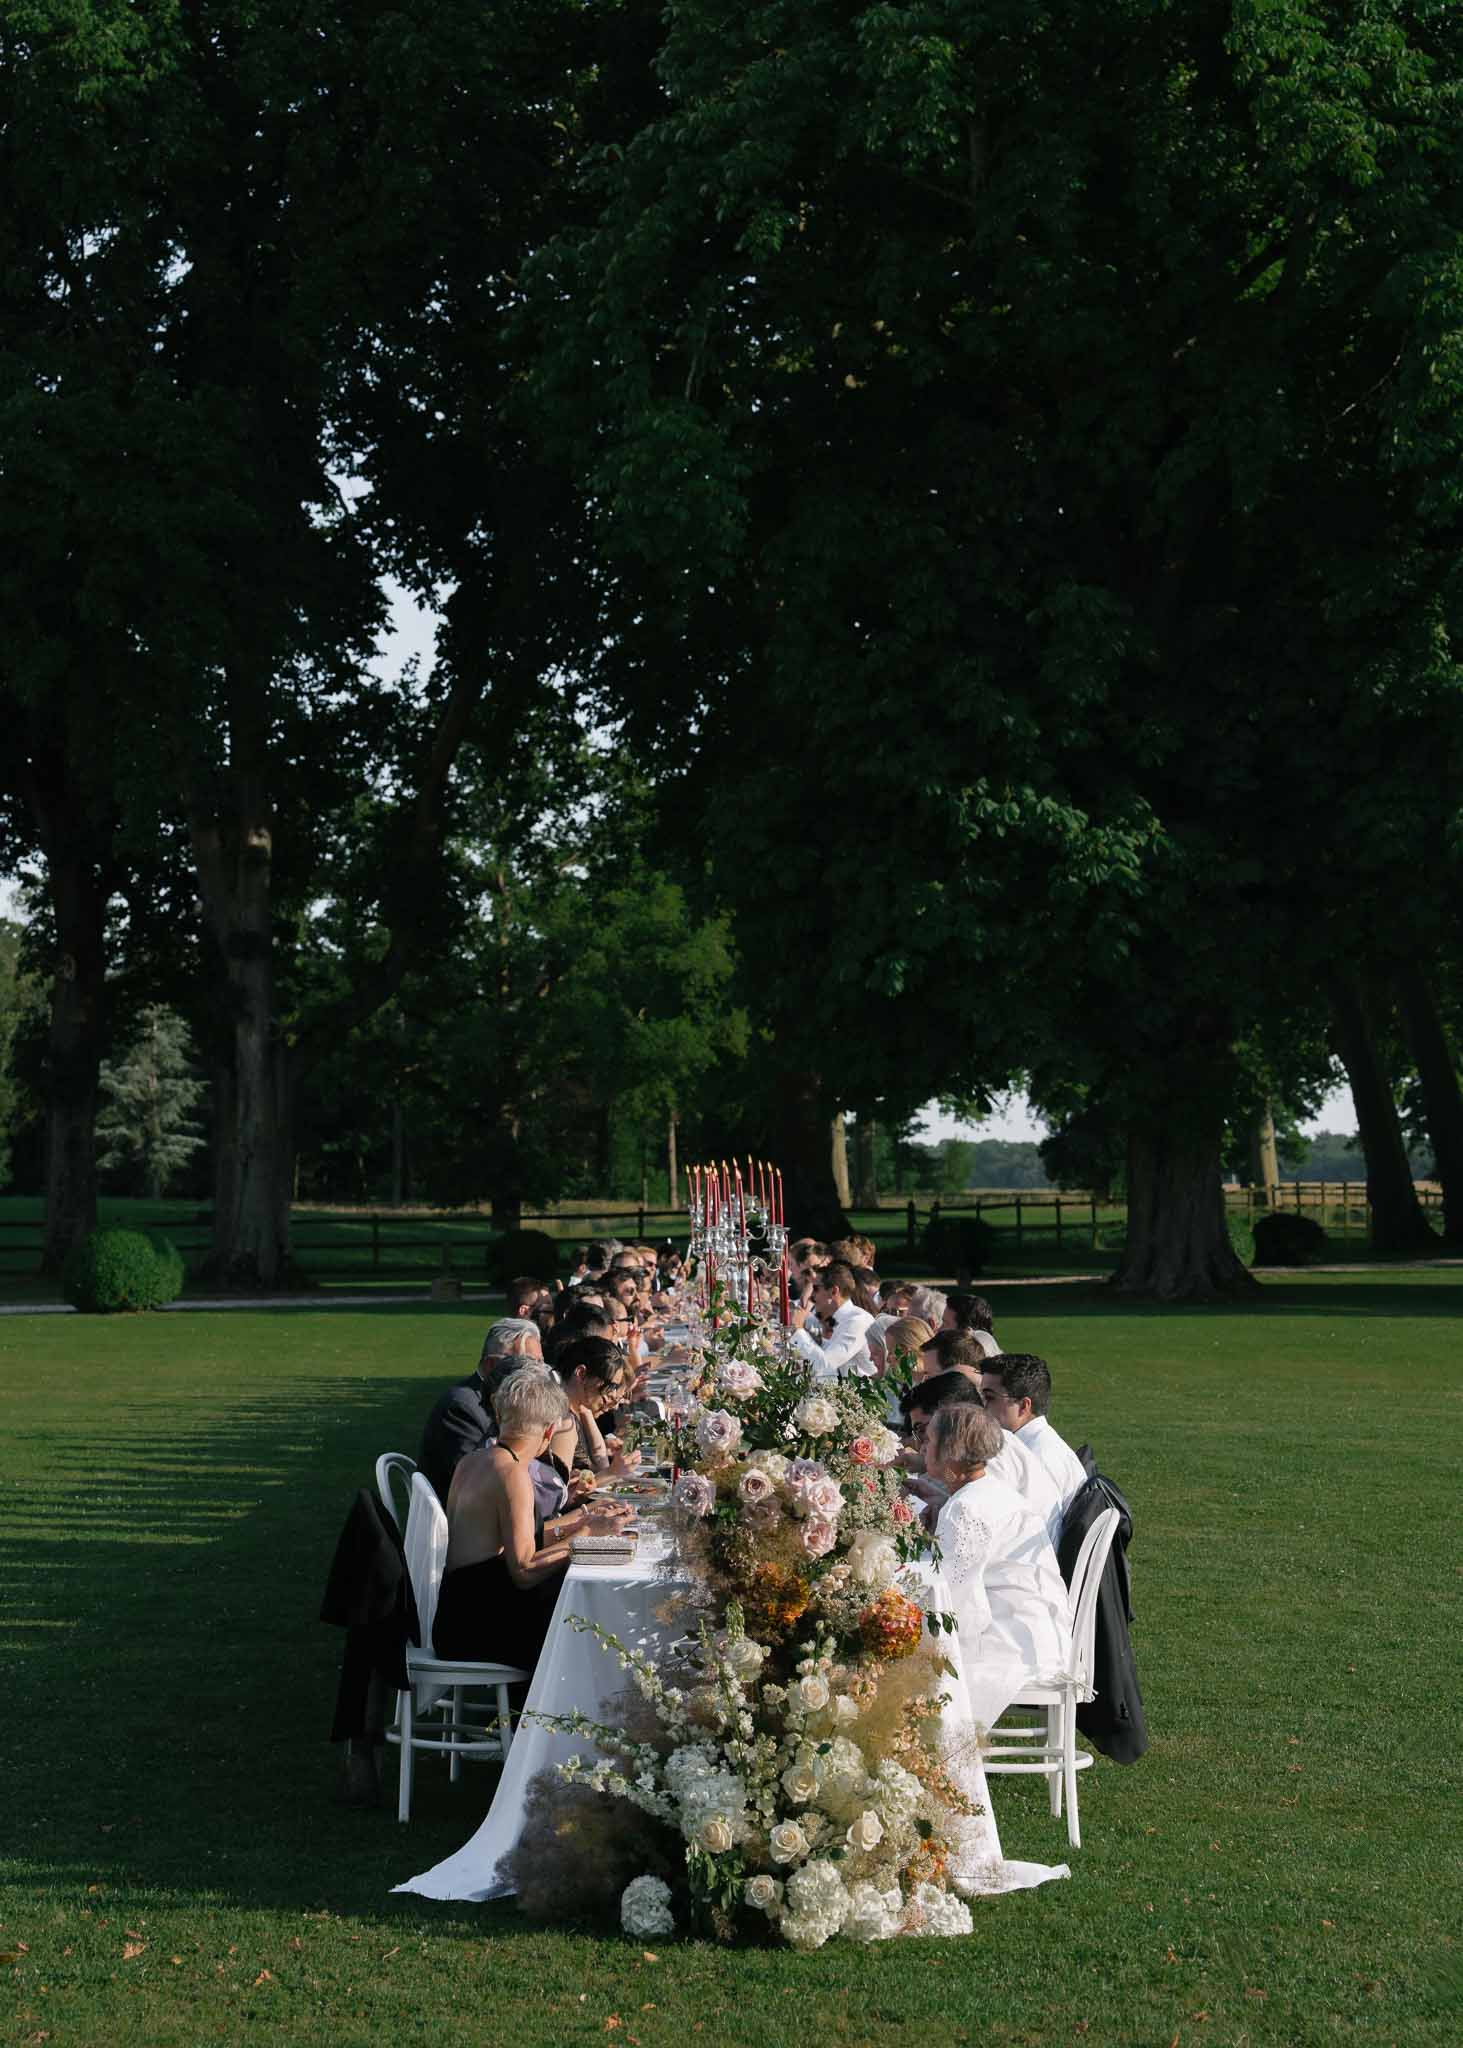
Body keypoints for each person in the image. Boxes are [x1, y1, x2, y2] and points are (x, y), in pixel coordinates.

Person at [432, 1372, 630, 1666]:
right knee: (587, 1613)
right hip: (477, 1625)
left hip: (456, 1610)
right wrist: (586, 1534)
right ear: (549, 1432)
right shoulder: (512, 1474)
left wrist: (579, 1522)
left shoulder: (476, 1459)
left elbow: (512, 1540)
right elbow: (523, 1571)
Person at [925, 1402, 1073, 1732]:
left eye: (929, 1439)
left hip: (1015, 1648)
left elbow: (954, 1603)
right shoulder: (987, 1491)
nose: (923, 1446)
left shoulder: (966, 1508)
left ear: (950, 1450)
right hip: (1038, 1633)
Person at [900, 1371, 1063, 1534]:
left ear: (952, 1416)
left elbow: (978, 1530)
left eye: (923, 1430)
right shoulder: (980, 1444)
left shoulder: (987, 1454)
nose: (920, 1444)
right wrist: (936, 1492)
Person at [416, 1318, 542, 1504]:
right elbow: (480, 1482)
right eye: (528, 1365)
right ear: (491, 1365)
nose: (538, 1374)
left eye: (540, 1363)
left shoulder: (505, 1402)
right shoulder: (462, 1407)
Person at [980, 1354, 1088, 1531]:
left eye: (989, 1398)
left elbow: (1021, 1529)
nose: (981, 1407)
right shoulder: (1040, 1443)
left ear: (1023, 1406)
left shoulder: (1036, 1456)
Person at [551, 1335, 643, 1476]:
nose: (612, 1396)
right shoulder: (559, 1417)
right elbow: (560, 1494)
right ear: (581, 1373)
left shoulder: (576, 1408)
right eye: (611, 1386)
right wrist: (613, 1473)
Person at [790, 1260, 874, 1380]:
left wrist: (798, 1330)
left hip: (864, 1395)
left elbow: (825, 1366)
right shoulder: (832, 1317)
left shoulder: (858, 1321)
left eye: (816, 1289)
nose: (811, 1296)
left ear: (834, 1291)